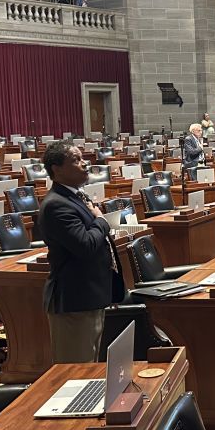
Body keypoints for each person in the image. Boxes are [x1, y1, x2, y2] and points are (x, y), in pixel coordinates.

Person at [39, 142, 121, 363]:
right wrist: (102, 221)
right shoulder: (56, 205)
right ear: (56, 169)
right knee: (74, 372)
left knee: (90, 367)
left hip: (90, 297)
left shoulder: (76, 197)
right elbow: (85, 245)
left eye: (82, 158)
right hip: (73, 301)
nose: (84, 163)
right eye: (75, 160)